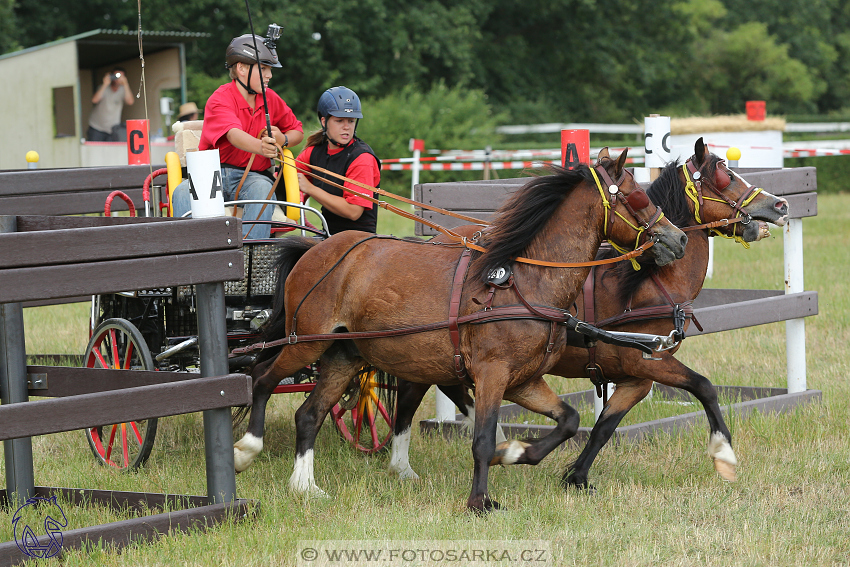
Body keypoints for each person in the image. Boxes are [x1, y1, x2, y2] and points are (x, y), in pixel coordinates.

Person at [171, 33, 304, 239]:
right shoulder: (219, 99)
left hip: (253, 177)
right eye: (263, 69)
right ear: (241, 68)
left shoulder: (271, 97)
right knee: (181, 192)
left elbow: (297, 131)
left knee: (262, 188)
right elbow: (233, 135)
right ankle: (187, 259)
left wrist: (283, 140)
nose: (269, 75)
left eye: (269, 69)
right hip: (211, 174)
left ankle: (251, 260)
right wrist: (261, 148)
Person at [296, 86, 380, 235]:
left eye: (351, 121)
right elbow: (287, 179)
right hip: (330, 239)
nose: (346, 127)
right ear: (324, 121)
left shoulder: (362, 158)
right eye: (339, 120)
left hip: (359, 242)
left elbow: (353, 211)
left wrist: (310, 189)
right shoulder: (313, 153)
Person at [87, 67, 134, 141]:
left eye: (120, 76)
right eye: (115, 76)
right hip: (96, 127)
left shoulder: (123, 90)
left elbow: (130, 102)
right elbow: (94, 100)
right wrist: (105, 84)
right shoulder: (103, 88)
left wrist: (126, 84)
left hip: (113, 129)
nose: (117, 78)